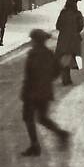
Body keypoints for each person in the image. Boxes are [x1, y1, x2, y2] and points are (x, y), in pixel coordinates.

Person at [20, 29, 70, 157]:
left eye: (32, 40)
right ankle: (61, 133)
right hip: (45, 91)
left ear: (36, 41)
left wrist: (25, 92)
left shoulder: (33, 55)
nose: (31, 42)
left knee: (29, 118)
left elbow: (29, 75)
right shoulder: (49, 54)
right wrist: (47, 80)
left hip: (32, 93)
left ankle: (35, 145)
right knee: (42, 118)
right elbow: (57, 71)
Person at [55, 0, 84, 85]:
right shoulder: (77, 14)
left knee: (64, 57)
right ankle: (66, 79)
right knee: (70, 58)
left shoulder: (63, 13)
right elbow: (80, 26)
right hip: (73, 40)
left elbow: (58, 26)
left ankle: (66, 77)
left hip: (63, 39)